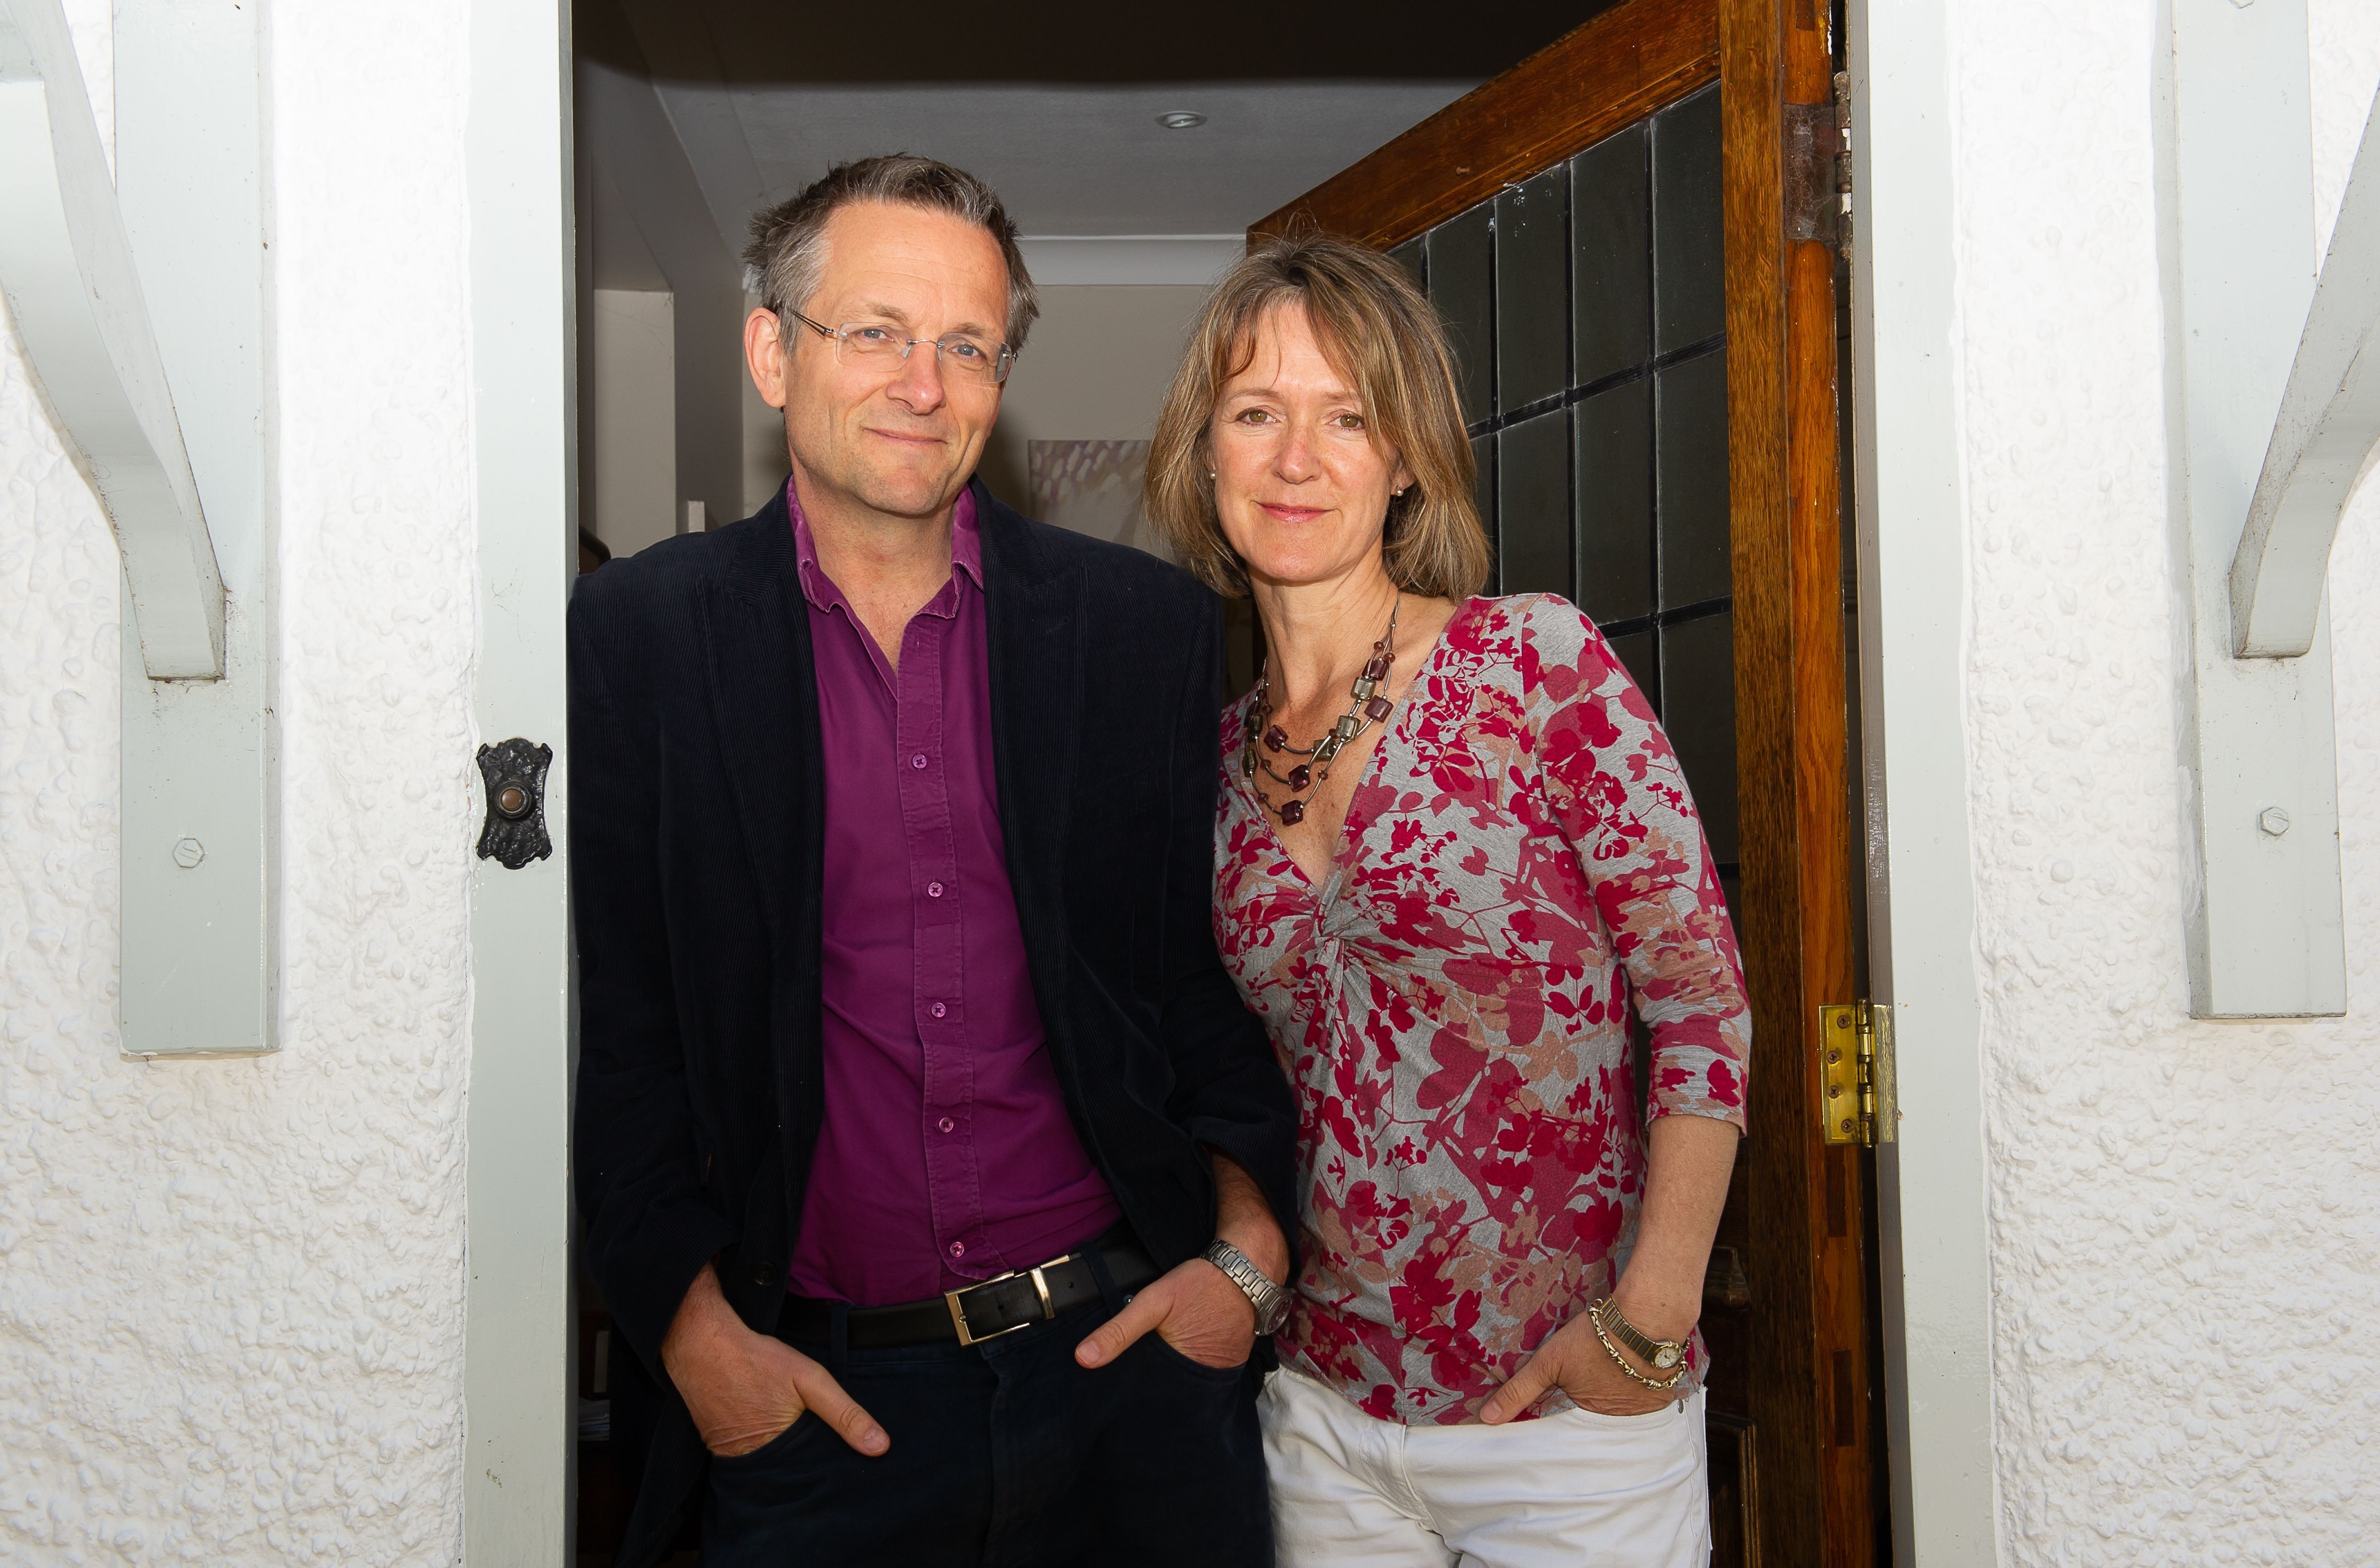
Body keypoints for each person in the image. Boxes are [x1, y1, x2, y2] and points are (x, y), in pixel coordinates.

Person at [570, 155, 1297, 1568]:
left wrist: (1249, 1256)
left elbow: (1189, 980)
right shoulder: (636, 637)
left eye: (968, 344)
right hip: (816, 1418)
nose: (925, 381)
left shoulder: (1139, 631)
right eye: (878, 331)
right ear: (774, 353)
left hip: (1129, 1380)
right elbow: (627, 1034)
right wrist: (699, 1344)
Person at [1146, 233, 1751, 1568]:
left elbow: (1701, 1003)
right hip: (1322, 1420)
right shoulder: (1197, 764)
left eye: (1347, 417)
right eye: (1257, 414)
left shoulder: (1533, 662)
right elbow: (1214, 1074)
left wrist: (1648, 1319)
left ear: (1405, 456)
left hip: (1568, 1416)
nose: (1296, 458)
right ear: (1207, 454)